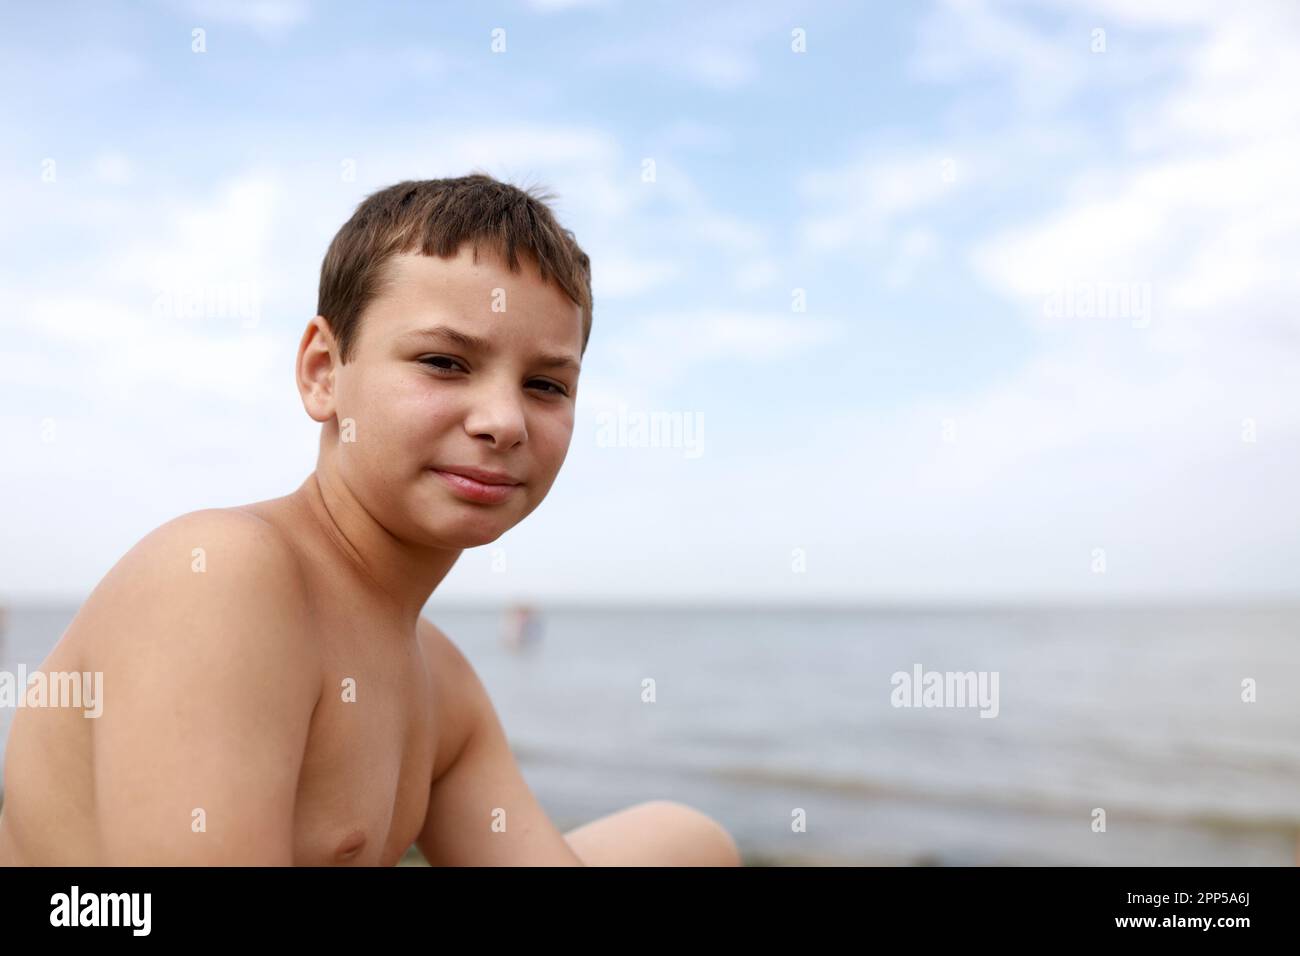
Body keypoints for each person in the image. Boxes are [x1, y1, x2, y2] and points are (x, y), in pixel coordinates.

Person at [0, 175, 740, 867]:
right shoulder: (219, 575)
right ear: (324, 372)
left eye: (546, 385)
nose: (504, 421)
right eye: (445, 363)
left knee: (686, 839)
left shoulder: (440, 682)